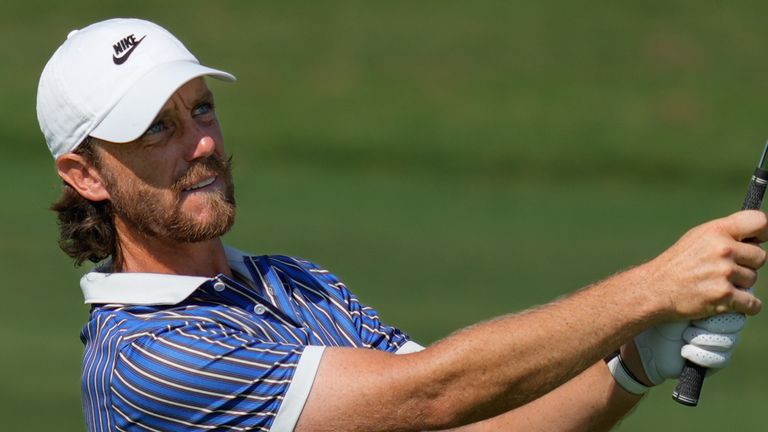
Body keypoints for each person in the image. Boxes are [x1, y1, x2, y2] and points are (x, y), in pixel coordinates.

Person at [37, 18, 766, 432]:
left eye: (201, 108)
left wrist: (631, 363)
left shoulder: (295, 282)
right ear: (86, 175)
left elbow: (464, 424)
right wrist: (650, 289)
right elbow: (430, 392)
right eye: (155, 129)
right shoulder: (147, 361)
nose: (200, 144)